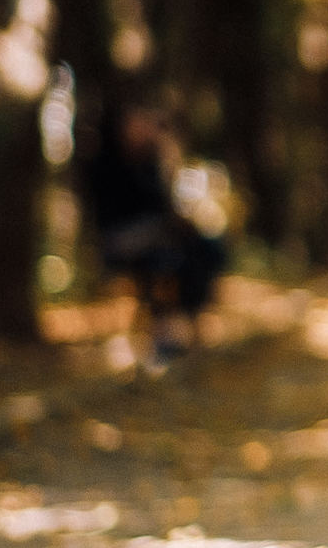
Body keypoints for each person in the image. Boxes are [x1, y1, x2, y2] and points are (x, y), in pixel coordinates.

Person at [80, 103, 225, 366]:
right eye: (136, 123)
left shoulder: (151, 162)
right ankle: (166, 333)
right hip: (121, 241)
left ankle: (188, 322)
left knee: (207, 248)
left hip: (157, 237)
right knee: (167, 259)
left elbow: (164, 207)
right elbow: (112, 217)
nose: (142, 129)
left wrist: (165, 156)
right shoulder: (105, 163)